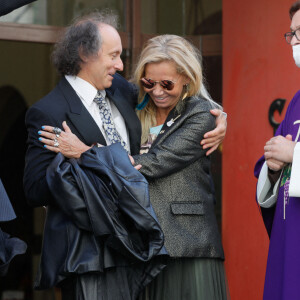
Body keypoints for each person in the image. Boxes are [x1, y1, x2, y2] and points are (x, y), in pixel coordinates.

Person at [39, 34, 229, 299]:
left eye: (167, 84)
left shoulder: (201, 114)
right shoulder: (134, 103)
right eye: (149, 82)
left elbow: (152, 163)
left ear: (187, 78)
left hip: (188, 244)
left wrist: (83, 151)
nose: (157, 91)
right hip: (141, 243)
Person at [254, 1, 300, 299]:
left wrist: (293, 155)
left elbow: (289, 151)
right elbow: (273, 157)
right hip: (290, 236)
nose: (294, 42)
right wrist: (272, 166)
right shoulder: (297, 99)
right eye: (291, 34)